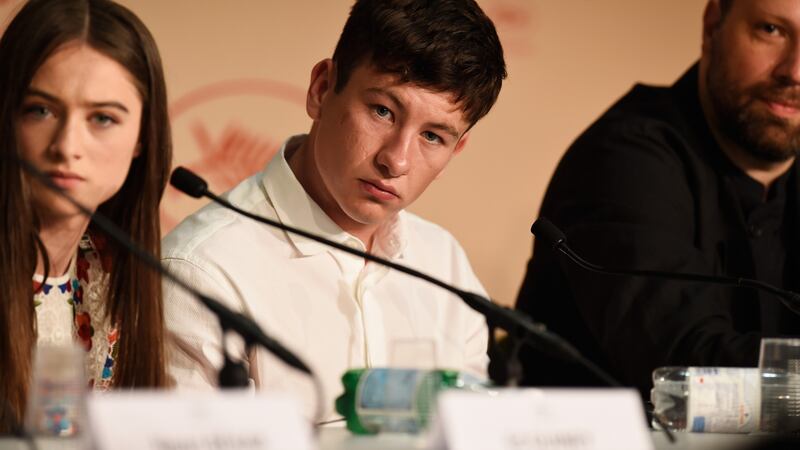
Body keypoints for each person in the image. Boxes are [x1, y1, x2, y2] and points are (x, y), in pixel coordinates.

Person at [163, 0, 506, 420]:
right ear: (322, 89)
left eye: (433, 137)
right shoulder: (201, 270)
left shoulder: (445, 264)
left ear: (457, 149)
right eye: (383, 111)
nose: (396, 161)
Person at [516, 0, 800, 397]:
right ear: (712, 24)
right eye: (771, 30)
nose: (794, 71)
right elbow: (687, 368)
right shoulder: (625, 157)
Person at [0, 0, 172, 432]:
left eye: (102, 118)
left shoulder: (109, 264)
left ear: (141, 138)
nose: (67, 145)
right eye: (41, 110)